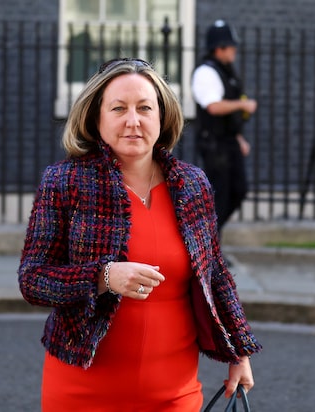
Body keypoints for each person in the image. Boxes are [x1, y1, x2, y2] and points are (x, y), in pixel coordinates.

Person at [18, 57, 261, 411]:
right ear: (96, 117)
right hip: (82, 392)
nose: (133, 120)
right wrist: (104, 276)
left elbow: (215, 275)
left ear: (162, 117)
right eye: (119, 108)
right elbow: (33, 279)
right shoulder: (64, 182)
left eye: (144, 108)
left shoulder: (192, 184)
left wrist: (238, 352)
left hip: (174, 394)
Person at [191, 20, 258, 235]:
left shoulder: (226, 71)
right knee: (219, 196)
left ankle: (210, 238)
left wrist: (238, 138)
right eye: (231, 46)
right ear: (219, 48)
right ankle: (208, 241)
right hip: (214, 144)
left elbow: (227, 114)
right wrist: (242, 104)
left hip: (229, 142)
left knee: (239, 190)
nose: (234, 51)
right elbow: (213, 106)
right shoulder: (205, 72)